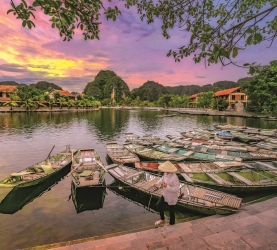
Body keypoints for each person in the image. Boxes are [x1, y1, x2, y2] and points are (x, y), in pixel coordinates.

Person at [153, 160, 180, 227]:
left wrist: (167, 186)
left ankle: (172, 223)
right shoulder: (165, 173)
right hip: (165, 193)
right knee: (159, 204)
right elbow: (162, 179)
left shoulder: (174, 178)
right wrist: (156, 184)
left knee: (171, 210)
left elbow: (176, 189)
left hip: (172, 196)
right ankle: (162, 219)